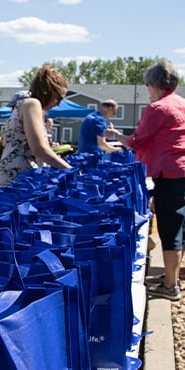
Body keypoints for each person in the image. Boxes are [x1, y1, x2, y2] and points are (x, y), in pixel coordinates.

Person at [105, 59, 185, 301]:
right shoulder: (181, 103)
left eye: (148, 86)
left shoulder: (157, 108)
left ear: (153, 84)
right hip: (181, 171)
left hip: (168, 174)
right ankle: (172, 277)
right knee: (180, 226)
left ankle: (170, 286)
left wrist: (116, 135)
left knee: (171, 230)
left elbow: (137, 141)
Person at [0, 65, 72, 191]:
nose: (58, 103)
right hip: (15, 184)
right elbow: (39, 148)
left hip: (16, 182)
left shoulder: (25, 104)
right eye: (58, 98)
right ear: (49, 91)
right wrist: (70, 170)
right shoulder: (32, 104)